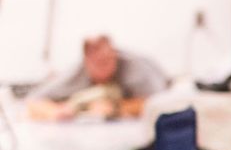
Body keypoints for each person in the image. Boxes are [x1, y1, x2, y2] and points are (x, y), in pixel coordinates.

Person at [26, 36, 168, 121]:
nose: (105, 66)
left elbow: (160, 103)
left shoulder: (136, 70)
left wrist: (116, 108)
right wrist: (56, 112)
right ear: (86, 61)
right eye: (99, 62)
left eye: (108, 60)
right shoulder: (77, 74)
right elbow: (33, 101)